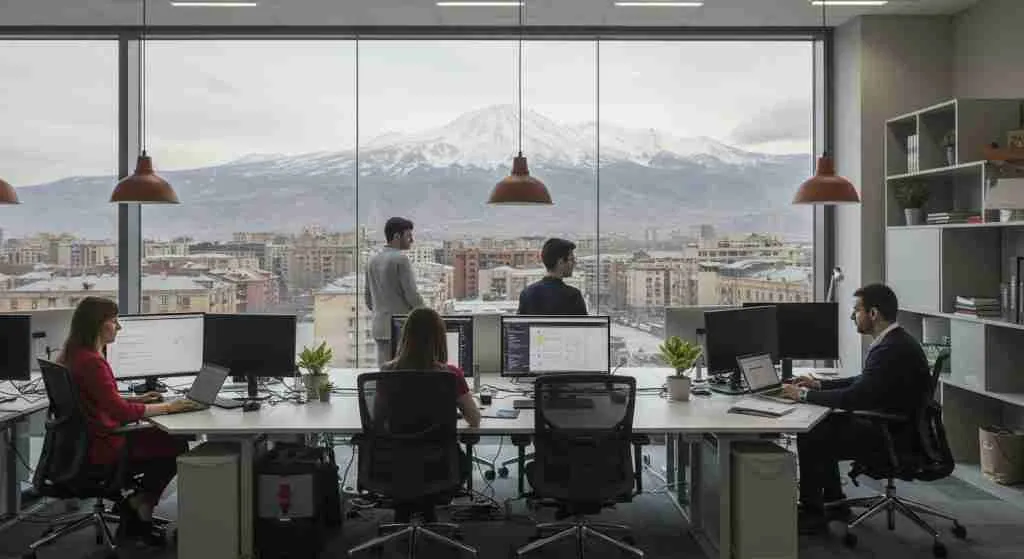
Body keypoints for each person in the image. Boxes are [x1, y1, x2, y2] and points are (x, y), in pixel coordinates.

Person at [780, 283, 930, 534]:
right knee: (824, 425)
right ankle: (835, 503)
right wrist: (819, 384)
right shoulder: (895, 341)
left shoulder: (890, 349)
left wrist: (804, 395)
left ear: (873, 313)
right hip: (898, 427)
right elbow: (864, 382)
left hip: (890, 436)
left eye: (856, 310)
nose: (852, 316)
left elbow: (854, 398)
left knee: (813, 433)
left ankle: (813, 514)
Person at [57, 296, 200, 545]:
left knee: (162, 438)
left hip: (85, 444)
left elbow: (99, 399)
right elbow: (120, 412)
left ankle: (133, 504)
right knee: (175, 443)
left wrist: (139, 398)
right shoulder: (92, 362)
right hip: (103, 445)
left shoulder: (74, 355)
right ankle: (140, 504)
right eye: (114, 321)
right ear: (97, 324)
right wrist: (169, 407)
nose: (119, 327)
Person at [365, 217, 425, 367]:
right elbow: (412, 295)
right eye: (409, 236)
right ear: (397, 236)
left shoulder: (372, 261)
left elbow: (369, 300)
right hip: (400, 327)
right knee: (402, 373)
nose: (412, 240)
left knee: (385, 372)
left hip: (379, 327)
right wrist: (427, 314)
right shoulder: (401, 259)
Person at [518, 238, 587, 315]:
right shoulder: (573, 296)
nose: (574, 263)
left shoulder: (526, 294)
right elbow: (584, 323)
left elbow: (519, 322)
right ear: (560, 262)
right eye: (572, 259)